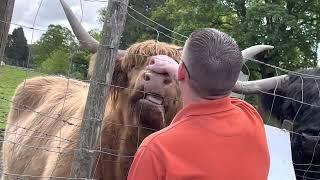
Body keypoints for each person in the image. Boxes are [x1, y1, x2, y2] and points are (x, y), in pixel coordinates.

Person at [127, 28, 270, 180]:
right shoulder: (252, 118)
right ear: (234, 81)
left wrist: (180, 72)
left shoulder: (157, 150)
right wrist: (181, 71)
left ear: (181, 71)